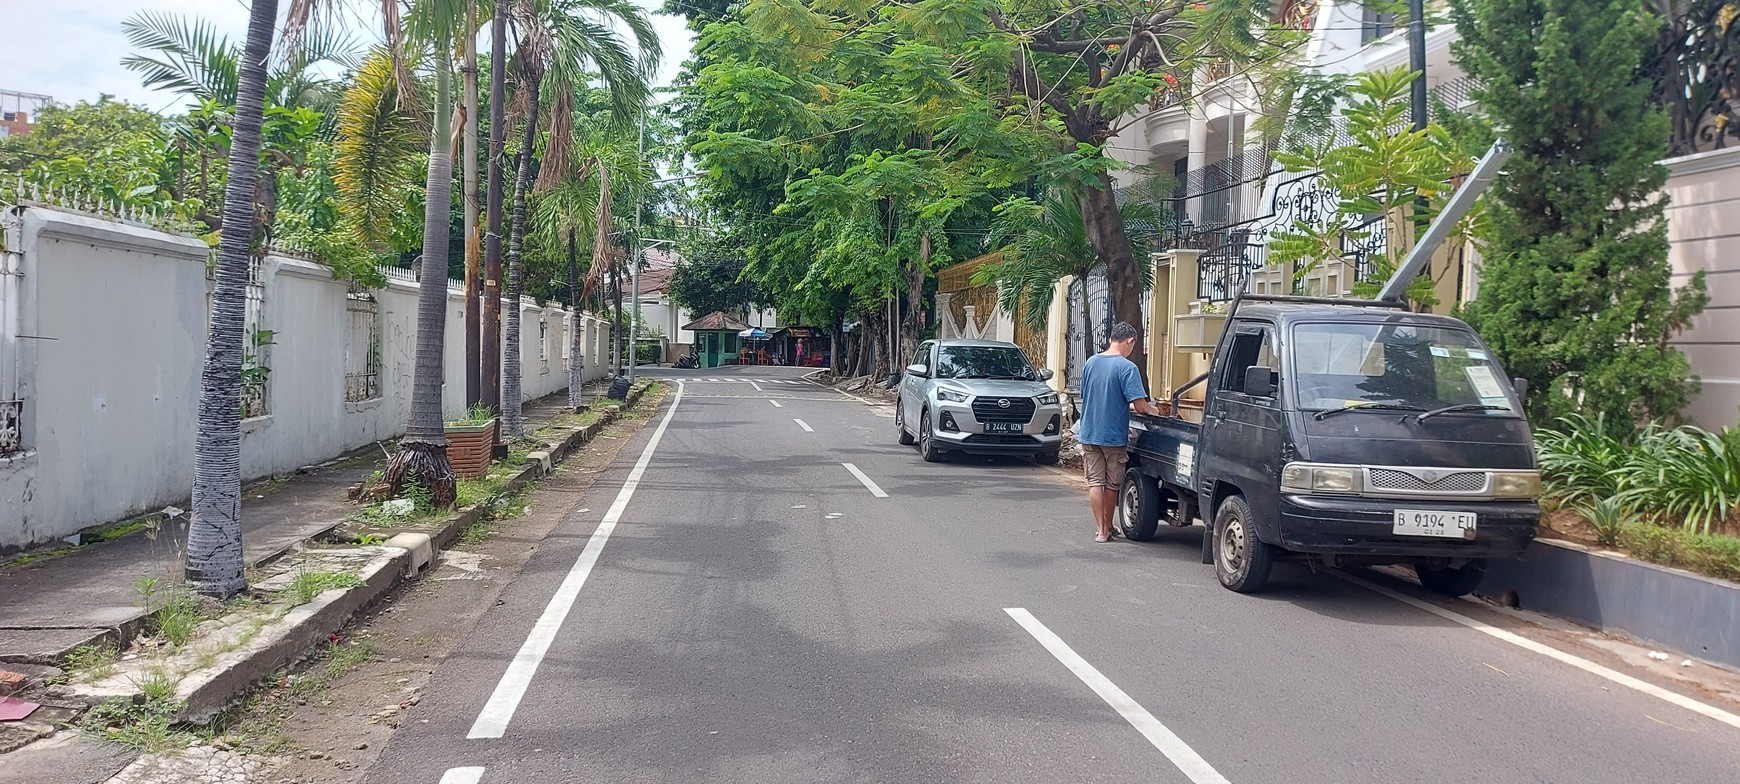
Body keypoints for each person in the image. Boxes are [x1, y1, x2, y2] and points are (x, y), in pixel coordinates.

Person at [1077, 322, 1159, 543]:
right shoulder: (1127, 368)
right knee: (1112, 484)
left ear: (1110, 339)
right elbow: (1140, 406)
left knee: (1095, 482)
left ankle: (1102, 530)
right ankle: (1108, 525)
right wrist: (1154, 410)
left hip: (1089, 432)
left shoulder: (1090, 363)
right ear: (1130, 341)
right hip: (1112, 435)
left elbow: (1091, 395)